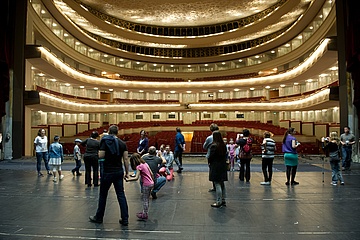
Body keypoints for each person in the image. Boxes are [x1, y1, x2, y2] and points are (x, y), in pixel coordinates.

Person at [89, 125, 129, 226]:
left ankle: (99, 217)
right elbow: (125, 159)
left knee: (103, 195)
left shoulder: (104, 141)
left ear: (109, 132)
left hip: (107, 171)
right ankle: (125, 219)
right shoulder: (122, 143)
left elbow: (101, 155)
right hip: (118, 171)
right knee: (121, 195)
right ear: (117, 132)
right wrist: (127, 172)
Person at [127, 153, 154, 221]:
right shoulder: (145, 164)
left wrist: (128, 179)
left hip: (146, 184)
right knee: (147, 199)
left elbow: (136, 178)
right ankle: (144, 212)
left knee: (145, 200)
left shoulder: (139, 166)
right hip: (151, 183)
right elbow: (152, 174)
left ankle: (145, 214)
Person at [208, 131, 228, 208]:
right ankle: (223, 200)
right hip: (223, 165)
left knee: (217, 183)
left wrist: (209, 162)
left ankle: (218, 201)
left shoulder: (213, 146)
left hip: (216, 166)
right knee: (222, 183)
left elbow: (211, 157)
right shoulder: (223, 145)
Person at [203, 123, 219, 192]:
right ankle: (218, 186)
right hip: (220, 156)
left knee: (212, 171)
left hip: (211, 157)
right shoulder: (220, 137)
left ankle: (215, 187)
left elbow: (204, 147)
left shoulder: (209, 138)